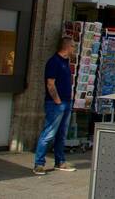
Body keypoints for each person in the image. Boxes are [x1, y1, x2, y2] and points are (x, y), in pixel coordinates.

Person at [33, 37, 77, 175]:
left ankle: (60, 161)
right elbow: (50, 84)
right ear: (67, 47)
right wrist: (58, 101)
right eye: (73, 46)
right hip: (56, 104)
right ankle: (39, 163)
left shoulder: (66, 62)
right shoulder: (54, 62)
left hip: (66, 102)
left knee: (61, 134)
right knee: (49, 133)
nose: (74, 49)